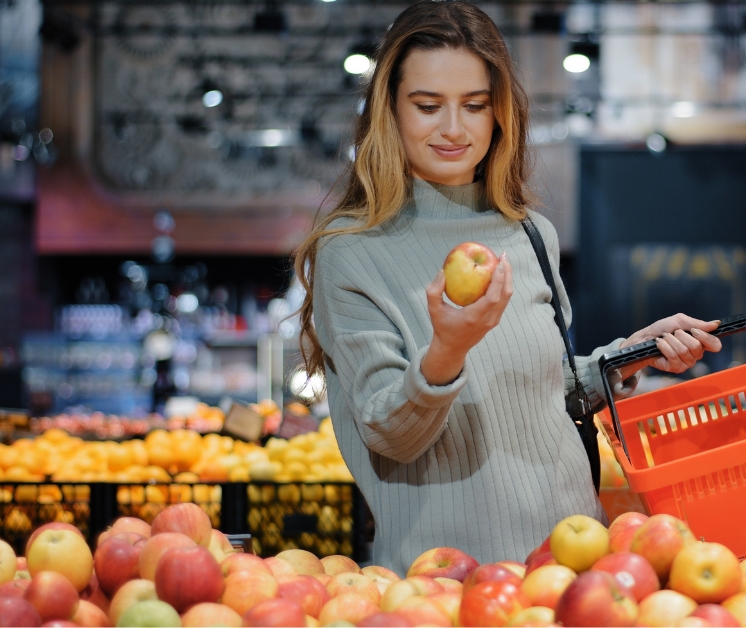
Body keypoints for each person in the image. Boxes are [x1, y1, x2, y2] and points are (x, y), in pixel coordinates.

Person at [293, 0, 723, 574]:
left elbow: (546, 395)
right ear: (388, 113)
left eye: (474, 105)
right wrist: (447, 350)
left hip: (573, 570)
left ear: (500, 115)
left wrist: (628, 355)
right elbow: (389, 434)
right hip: (446, 586)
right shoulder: (351, 252)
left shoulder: (529, 233)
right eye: (427, 106)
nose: (453, 128)